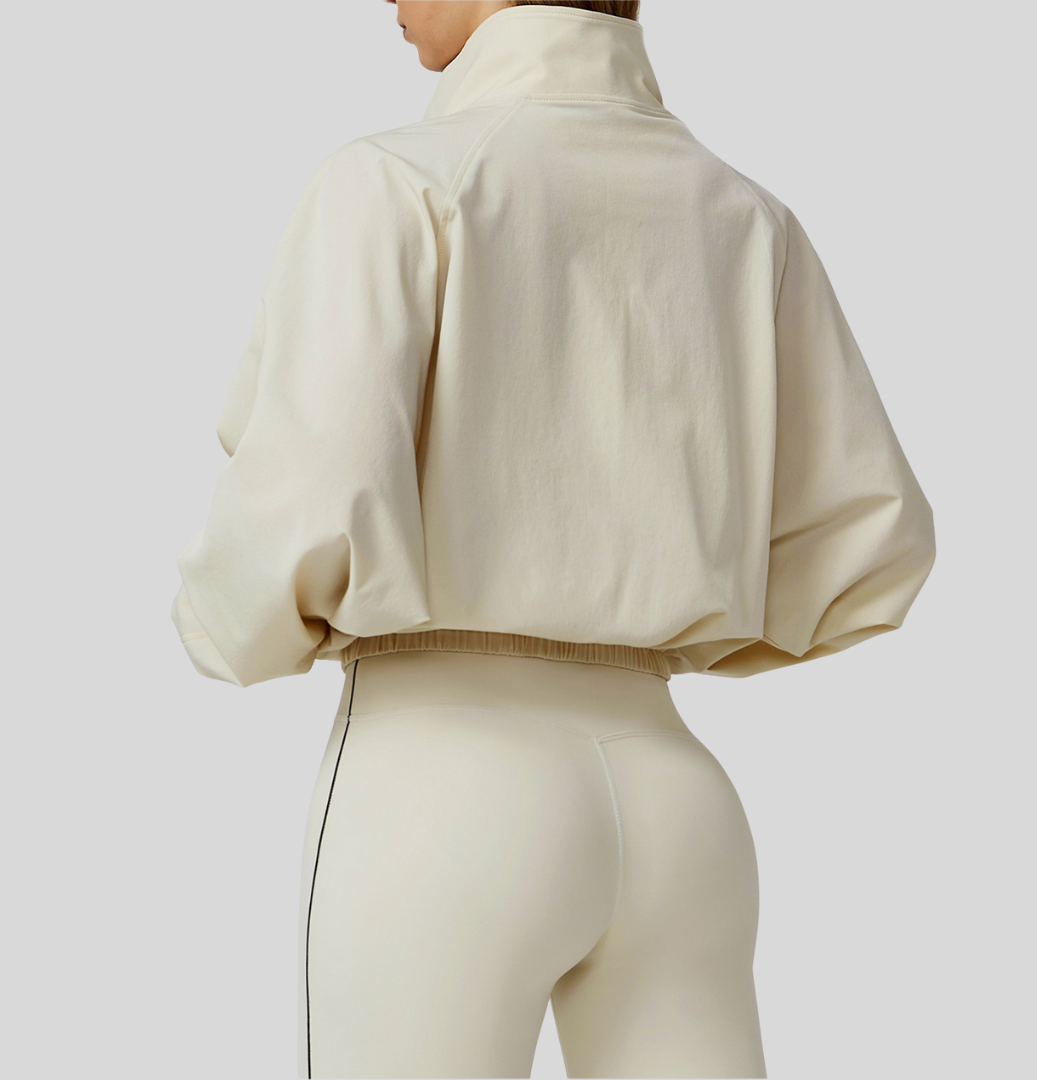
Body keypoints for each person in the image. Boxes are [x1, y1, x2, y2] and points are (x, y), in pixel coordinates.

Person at [170, 2, 936, 1076]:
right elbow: (869, 540)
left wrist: (218, 624)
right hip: (676, 800)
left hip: (439, 791)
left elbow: (297, 518)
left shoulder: (395, 182)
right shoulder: (748, 218)